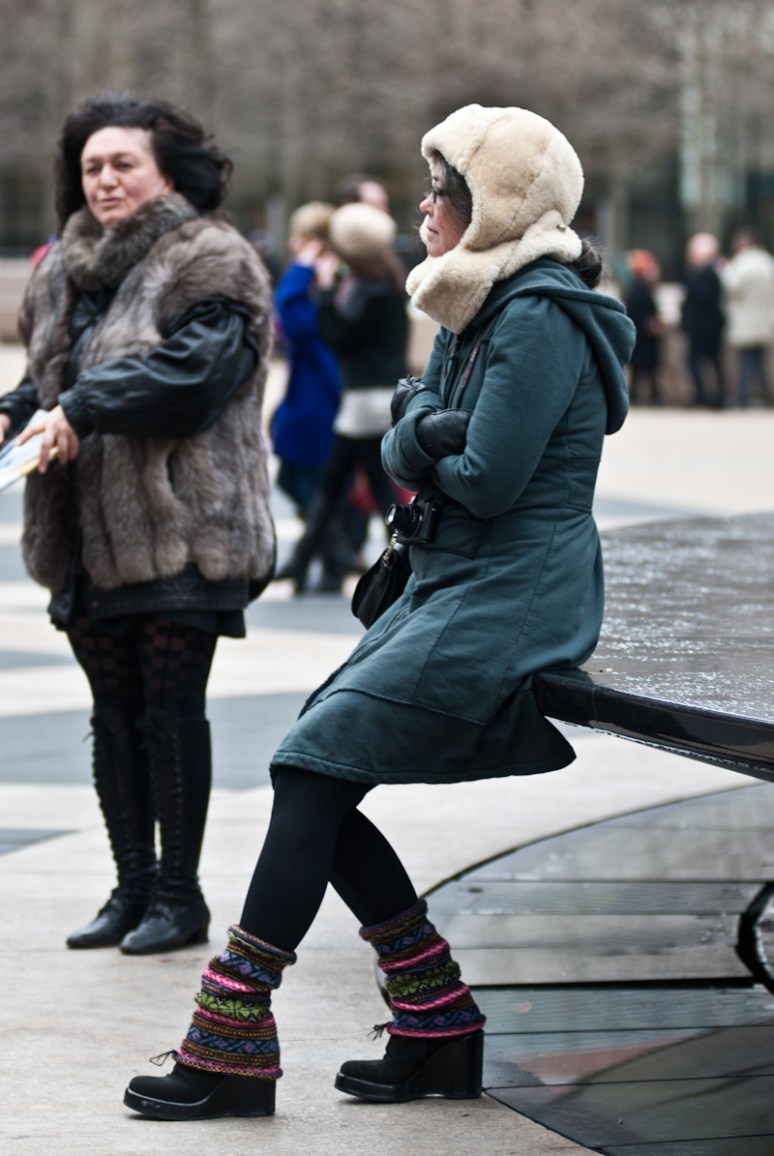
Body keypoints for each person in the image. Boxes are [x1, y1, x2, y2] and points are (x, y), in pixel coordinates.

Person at [124, 103, 633, 1121]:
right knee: (318, 766)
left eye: (443, 189)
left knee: (314, 765)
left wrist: (419, 425)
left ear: (497, 202)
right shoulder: (479, 301)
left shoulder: (536, 313)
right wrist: (419, 425)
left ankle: (233, 1035)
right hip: (455, 578)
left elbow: (485, 477)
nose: (425, 206)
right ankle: (436, 1024)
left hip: (511, 590)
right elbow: (415, 437)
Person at [0, 93, 275, 955]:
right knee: (110, 713)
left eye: (123, 163)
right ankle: (130, 888)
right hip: (84, 530)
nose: (105, 179)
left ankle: (180, 895)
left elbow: (194, 379)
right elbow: (46, 382)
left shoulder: (212, 257)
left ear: (164, 171)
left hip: (183, 522)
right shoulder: (61, 268)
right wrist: (12, 413)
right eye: (91, 167)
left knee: (167, 710)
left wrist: (80, 404)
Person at [275, 201, 409, 594]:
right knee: (336, 485)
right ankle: (303, 562)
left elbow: (337, 335)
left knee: (369, 489)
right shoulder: (385, 280)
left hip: (364, 404)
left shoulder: (369, 291)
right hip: (368, 402)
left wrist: (328, 289)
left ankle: (402, 562)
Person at [271, 202, 349, 589]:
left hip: (319, 393)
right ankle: (325, 551)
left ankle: (329, 553)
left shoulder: (321, 280)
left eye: (298, 239)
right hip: (308, 388)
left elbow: (294, 319)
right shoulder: (320, 279)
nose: (290, 244)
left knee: (310, 479)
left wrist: (303, 268)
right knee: (299, 477)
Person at [721, 226, 774, 406]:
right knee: (760, 362)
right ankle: (765, 396)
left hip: (744, 318)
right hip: (764, 318)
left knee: (744, 361)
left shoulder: (740, 262)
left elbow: (731, 287)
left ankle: (743, 396)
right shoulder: (767, 261)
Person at [680, 232, 726, 408]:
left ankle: (707, 396)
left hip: (704, 327)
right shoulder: (707, 273)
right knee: (710, 362)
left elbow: (702, 299)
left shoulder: (707, 274)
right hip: (706, 326)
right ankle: (710, 396)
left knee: (701, 362)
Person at [624, 249, 666, 404]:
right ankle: (641, 397)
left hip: (645, 336)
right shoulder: (636, 289)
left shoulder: (644, 288)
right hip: (642, 335)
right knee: (641, 368)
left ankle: (650, 396)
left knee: (648, 368)